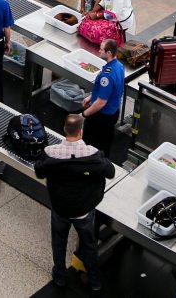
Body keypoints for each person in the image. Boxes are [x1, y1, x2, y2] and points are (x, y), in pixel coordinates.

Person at [34, 114, 113, 295]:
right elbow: (110, 172)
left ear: (64, 129)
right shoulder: (93, 154)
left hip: (60, 207)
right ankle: (94, 280)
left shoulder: (51, 153)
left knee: (59, 242)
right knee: (89, 244)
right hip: (84, 210)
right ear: (81, 131)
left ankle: (60, 276)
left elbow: (39, 171)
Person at [79, 38, 126, 155]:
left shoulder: (107, 76)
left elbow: (101, 102)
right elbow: (113, 90)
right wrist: (91, 97)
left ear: (109, 53)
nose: (99, 51)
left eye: (101, 49)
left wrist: (84, 114)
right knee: (106, 141)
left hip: (102, 116)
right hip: (113, 111)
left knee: (92, 144)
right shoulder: (119, 66)